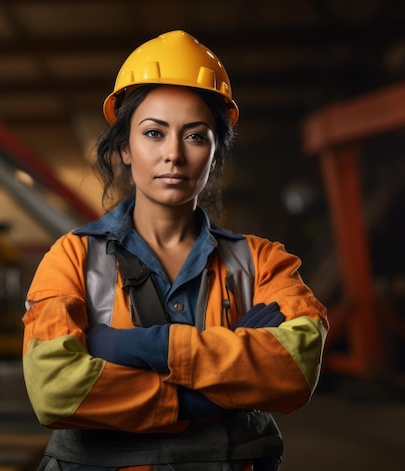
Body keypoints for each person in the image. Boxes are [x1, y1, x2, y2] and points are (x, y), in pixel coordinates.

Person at [22, 30, 328, 471]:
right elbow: (55, 389)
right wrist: (218, 386)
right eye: (153, 133)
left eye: (196, 136)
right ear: (125, 148)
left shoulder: (262, 262)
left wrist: (139, 347)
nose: (173, 155)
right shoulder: (72, 258)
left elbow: (296, 369)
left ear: (215, 153)